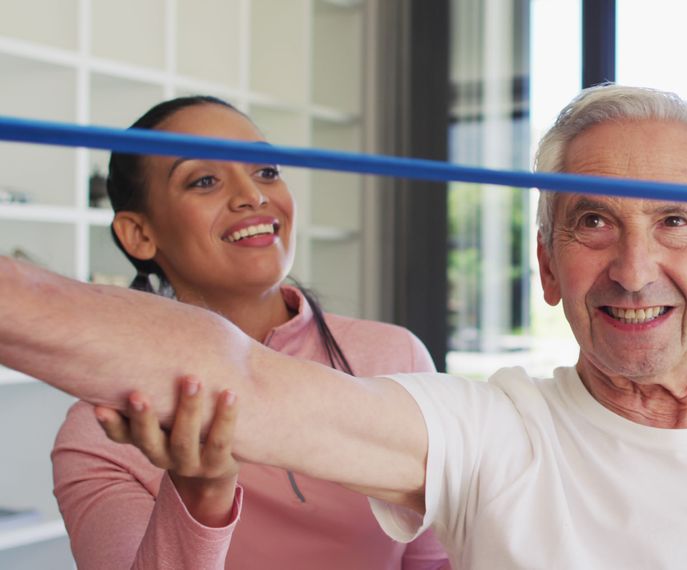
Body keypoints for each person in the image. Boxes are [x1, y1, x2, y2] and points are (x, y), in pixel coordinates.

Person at [2, 84, 687, 568]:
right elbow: (236, 374)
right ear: (548, 266)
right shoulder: (493, 429)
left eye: (677, 222)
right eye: (594, 222)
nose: (636, 263)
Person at [46, 96, 450, 569]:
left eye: (266, 171)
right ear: (139, 234)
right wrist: (198, 499)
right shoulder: (102, 432)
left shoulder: (395, 357)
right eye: (204, 181)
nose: (253, 196)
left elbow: (434, 563)